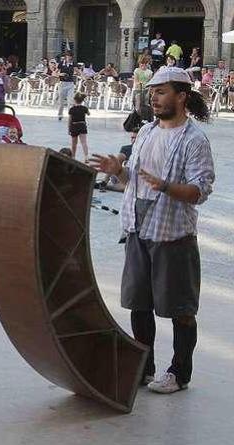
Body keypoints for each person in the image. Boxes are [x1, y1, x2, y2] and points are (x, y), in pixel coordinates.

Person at [89, 67, 214, 395]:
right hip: (138, 227)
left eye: (161, 92)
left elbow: (201, 190)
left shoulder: (194, 139)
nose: (153, 98)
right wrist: (119, 171)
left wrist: (168, 187)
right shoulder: (145, 132)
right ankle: (144, 368)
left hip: (173, 233)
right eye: (152, 92)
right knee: (139, 303)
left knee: (180, 308)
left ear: (181, 96)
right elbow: (136, 178)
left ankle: (179, 373)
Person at [68, 92, 90, 161]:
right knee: (84, 142)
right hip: (82, 125)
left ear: (75, 100)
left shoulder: (72, 109)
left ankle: (73, 157)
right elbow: (89, 114)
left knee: (74, 143)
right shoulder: (84, 108)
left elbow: (69, 120)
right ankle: (86, 157)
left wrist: (69, 129)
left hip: (74, 126)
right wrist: (86, 105)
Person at [57, 52, 76, 121]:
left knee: (70, 100)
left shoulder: (73, 64)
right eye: (67, 56)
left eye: (70, 56)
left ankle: (70, 115)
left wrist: (84, 76)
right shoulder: (61, 63)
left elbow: (78, 71)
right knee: (61, 101)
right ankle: (60, 114)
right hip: (62, 83)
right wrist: (60, 74)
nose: (68, 57)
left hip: (70, 84)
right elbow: (55, 73)